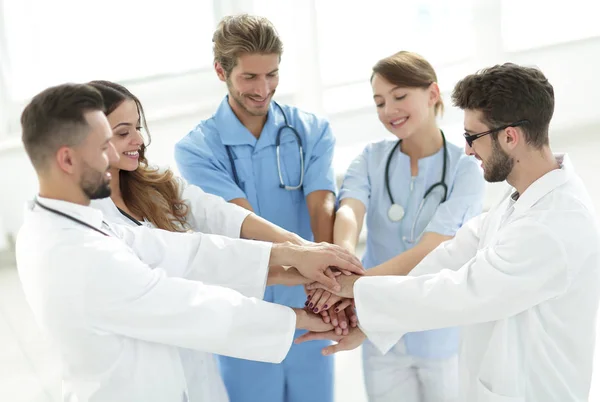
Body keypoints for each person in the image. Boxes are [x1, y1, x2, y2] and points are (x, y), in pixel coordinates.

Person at [15, 83, 365, 402]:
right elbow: (196, 306)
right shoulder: (81, 256)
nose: (115, 154)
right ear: (67, 159)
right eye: (105, 145)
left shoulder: (68, 224)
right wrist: (301, 318)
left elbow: (185, 250)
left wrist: (293, 260)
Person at [299, 63, 600, 401]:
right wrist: (364, 311)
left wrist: (359, 291)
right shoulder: (521, 199)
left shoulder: (554, 225)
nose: (469, 150)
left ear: (510, 137)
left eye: (473, 138)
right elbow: (453, 254)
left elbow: (462, 291)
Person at [86, 79, 318, 401]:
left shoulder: (154, 185)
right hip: (144, 372)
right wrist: (293, 269)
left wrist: (301, 249)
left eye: (138, 127)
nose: (139, 140)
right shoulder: (91, 221)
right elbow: (191, 269)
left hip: (197, 369)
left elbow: (217, 213)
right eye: (123, 132)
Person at [174, 14, 337, 402]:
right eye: (250, 77)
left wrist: (327, 272)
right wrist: (310, 260)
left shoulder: (311, 130)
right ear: (221, 71)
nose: (264, 89)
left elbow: (322, 202)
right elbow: (240, 221)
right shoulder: (197, 148)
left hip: (311, 300)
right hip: (244, 304)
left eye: (272, 75)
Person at [308, 51, 485, 402]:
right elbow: (349, 210)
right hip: (379, 335)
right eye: (379, 102)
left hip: (440, 331)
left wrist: (355, 285)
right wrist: (341, 258)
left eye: (400, 96)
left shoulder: (465, 169)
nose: (389, 110)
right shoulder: (370, 158)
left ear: (433, 94)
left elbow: (432, 248)